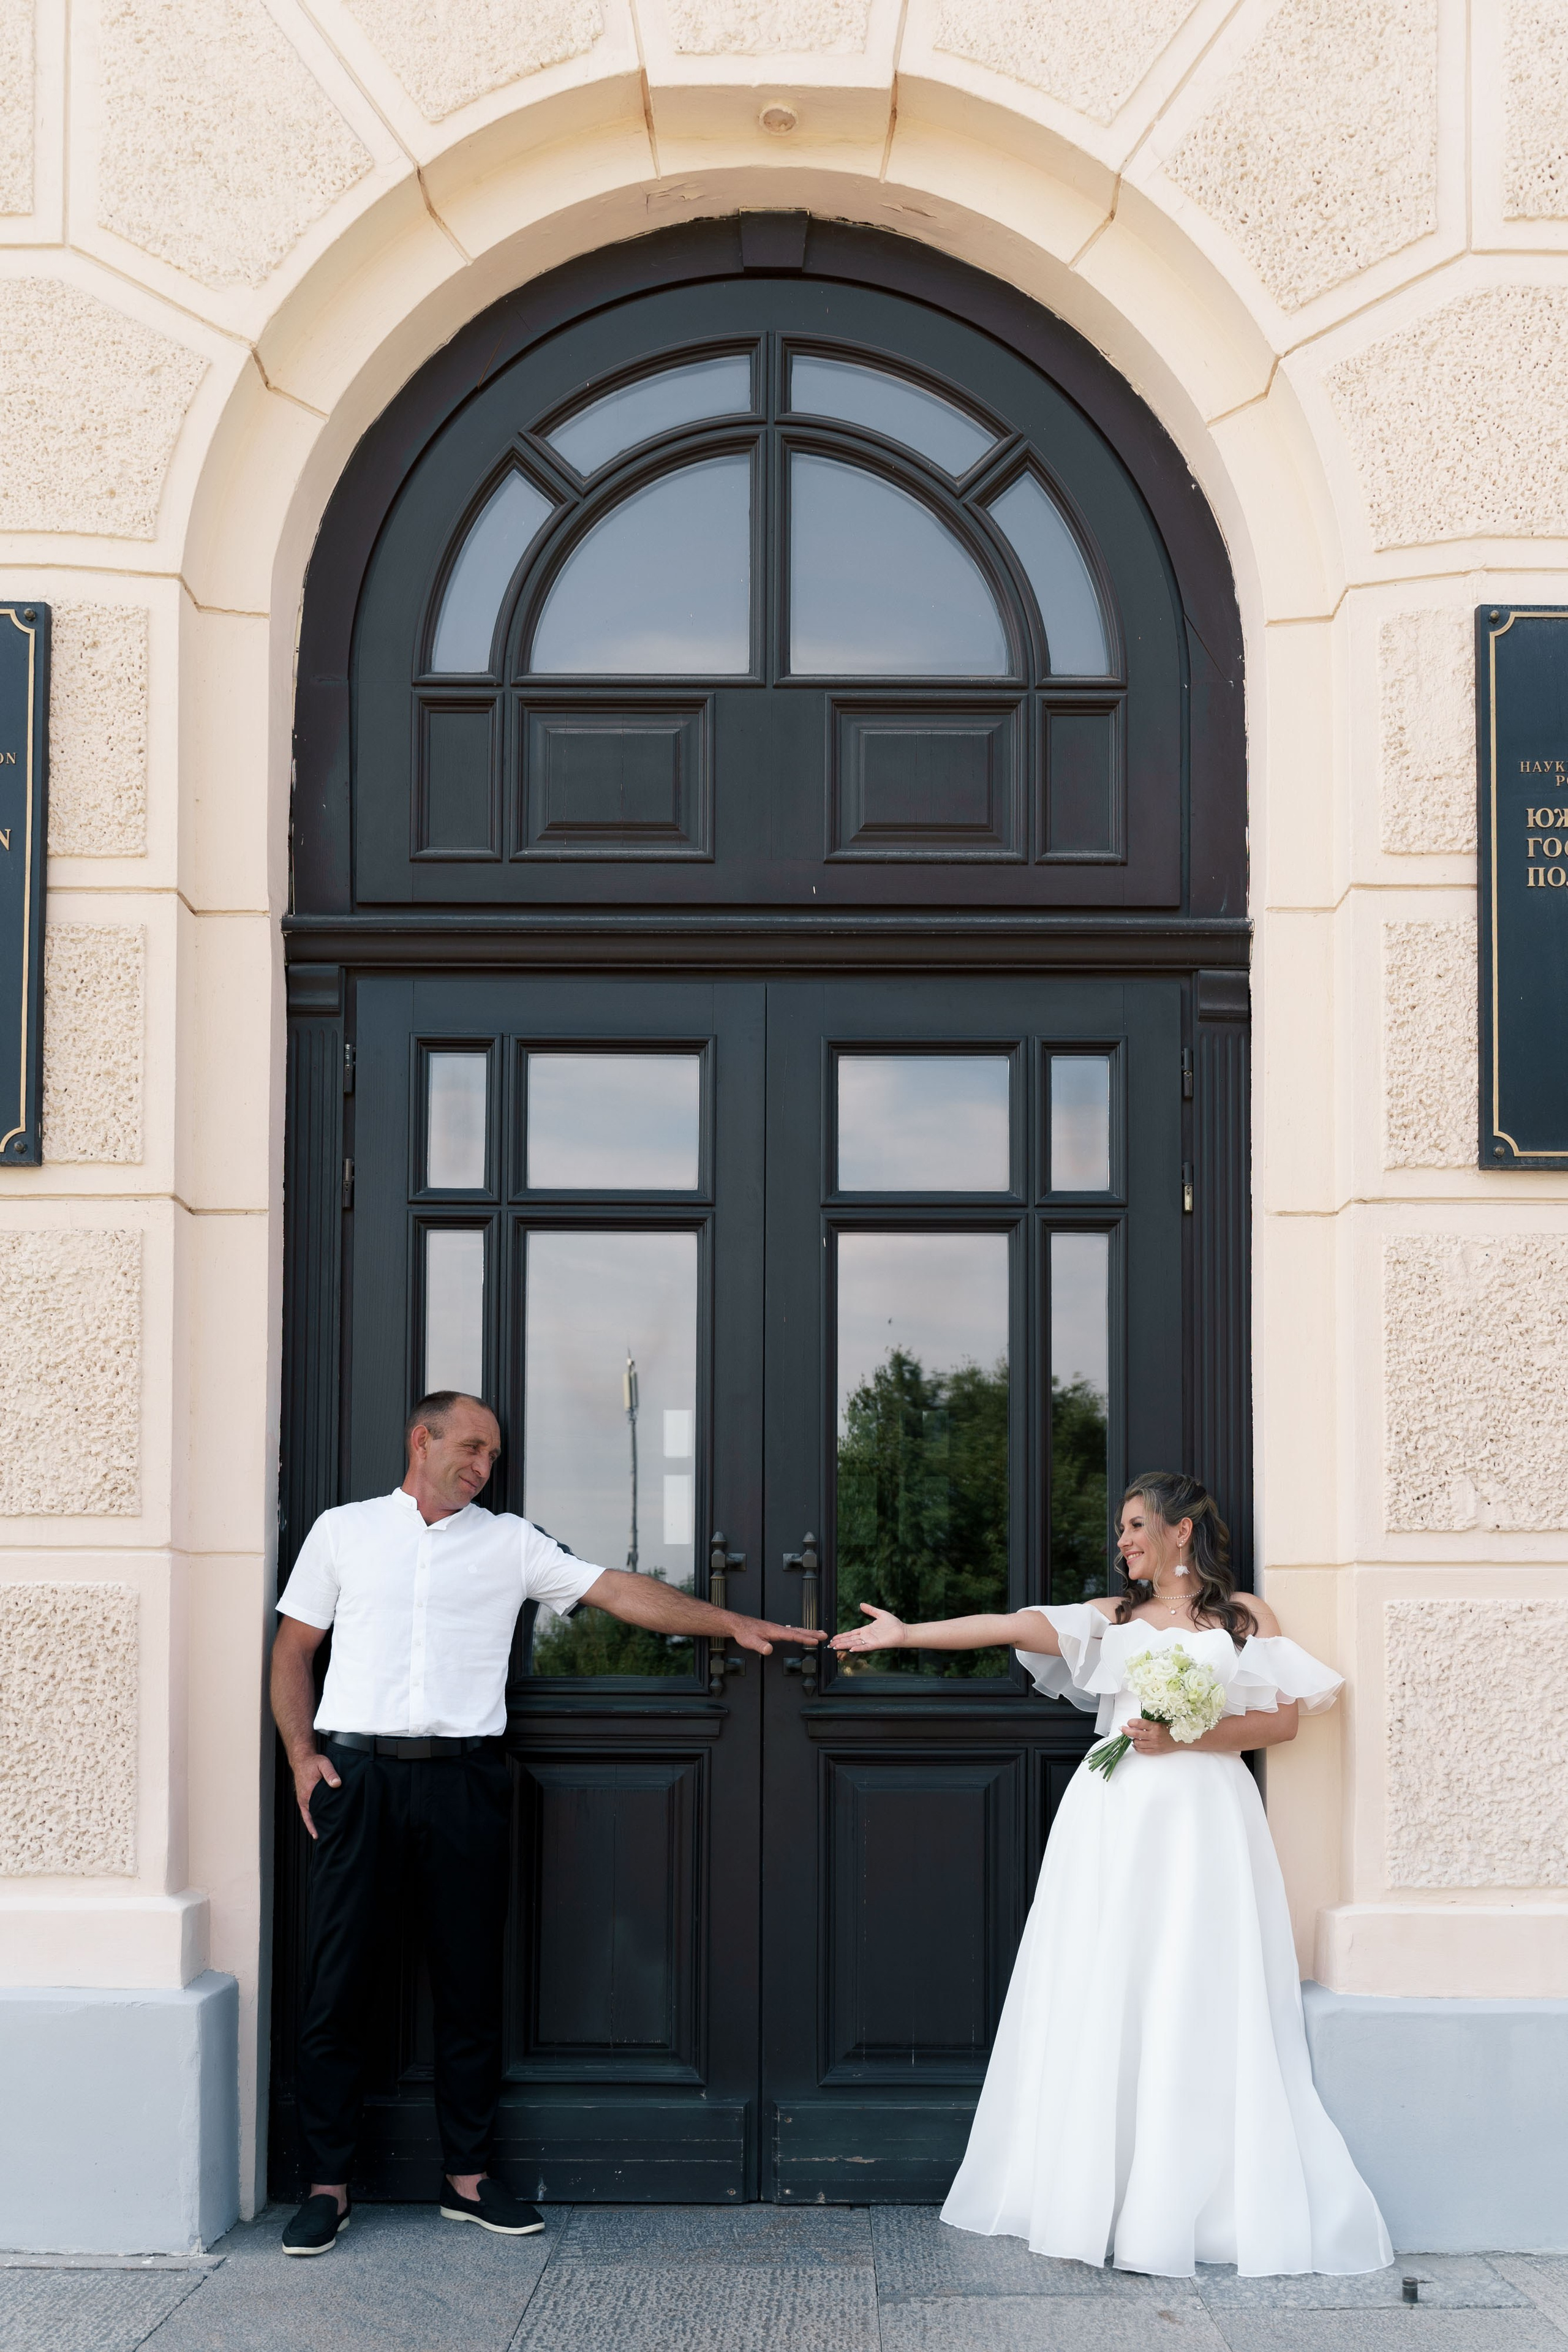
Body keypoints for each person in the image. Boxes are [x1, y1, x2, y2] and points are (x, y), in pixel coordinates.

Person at [271, 1389, 824, 2258]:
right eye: (473, 1448)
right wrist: (304, 1757)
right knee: (338, 1986)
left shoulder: (510, 1542)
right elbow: (294, 1648)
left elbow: (620, 1592)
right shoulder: (343, 1531)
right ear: (422, 1440)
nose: (485, 1467)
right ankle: (326, 2187)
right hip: (362, 1780)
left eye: (492, 1455)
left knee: (468, 1986)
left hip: (466, 1784)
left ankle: (467, 2177)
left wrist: (731, 1622)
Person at [830, 1469, 1393, 2282]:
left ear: (1182, 1530)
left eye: (1136, 1525)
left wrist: (1189, 1737)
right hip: (1115, 1814)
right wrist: (907, 1634)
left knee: (1194, 1981)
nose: (1123, 1541)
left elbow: (1280, 1722)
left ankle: (1188, 2190)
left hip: (1206, 1814)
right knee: (1109, 1975)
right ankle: (1096, 2186)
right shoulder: (1111, 1619)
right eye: (1121, 1528)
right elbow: (1011, 1625)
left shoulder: (1244, 1619)